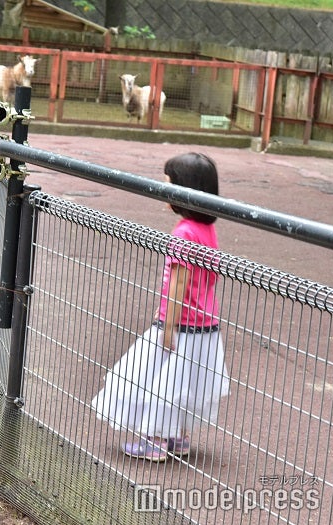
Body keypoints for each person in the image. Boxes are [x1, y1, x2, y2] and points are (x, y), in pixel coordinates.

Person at [91, 152, 231, 462]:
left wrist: (167, 326)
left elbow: (178, 284)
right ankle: (177, 437)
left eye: (169, 184)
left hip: (179, 323)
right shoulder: (207, 230)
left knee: (156, 379)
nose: (163, 189)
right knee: (185, 381)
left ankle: (155, 440)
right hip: (205, 324)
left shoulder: (183, 234)